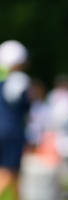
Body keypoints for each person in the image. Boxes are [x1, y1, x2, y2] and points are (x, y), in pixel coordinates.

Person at [0, 40, 31, 200]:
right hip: (11, 131)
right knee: (7, 171)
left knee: (16, 176)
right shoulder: (19, 80)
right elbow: (25, 108)